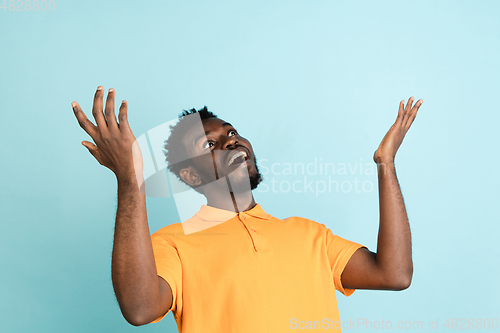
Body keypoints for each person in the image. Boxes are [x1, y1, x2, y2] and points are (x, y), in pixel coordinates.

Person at [71, 86, 422, 332]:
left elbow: (394, 274)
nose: (230, 140)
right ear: (191, 174)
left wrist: (385, 163)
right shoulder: (172, 244)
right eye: (209, 143)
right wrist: (130, 179)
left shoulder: (310, 234)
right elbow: (140, 308)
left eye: (232, 131)